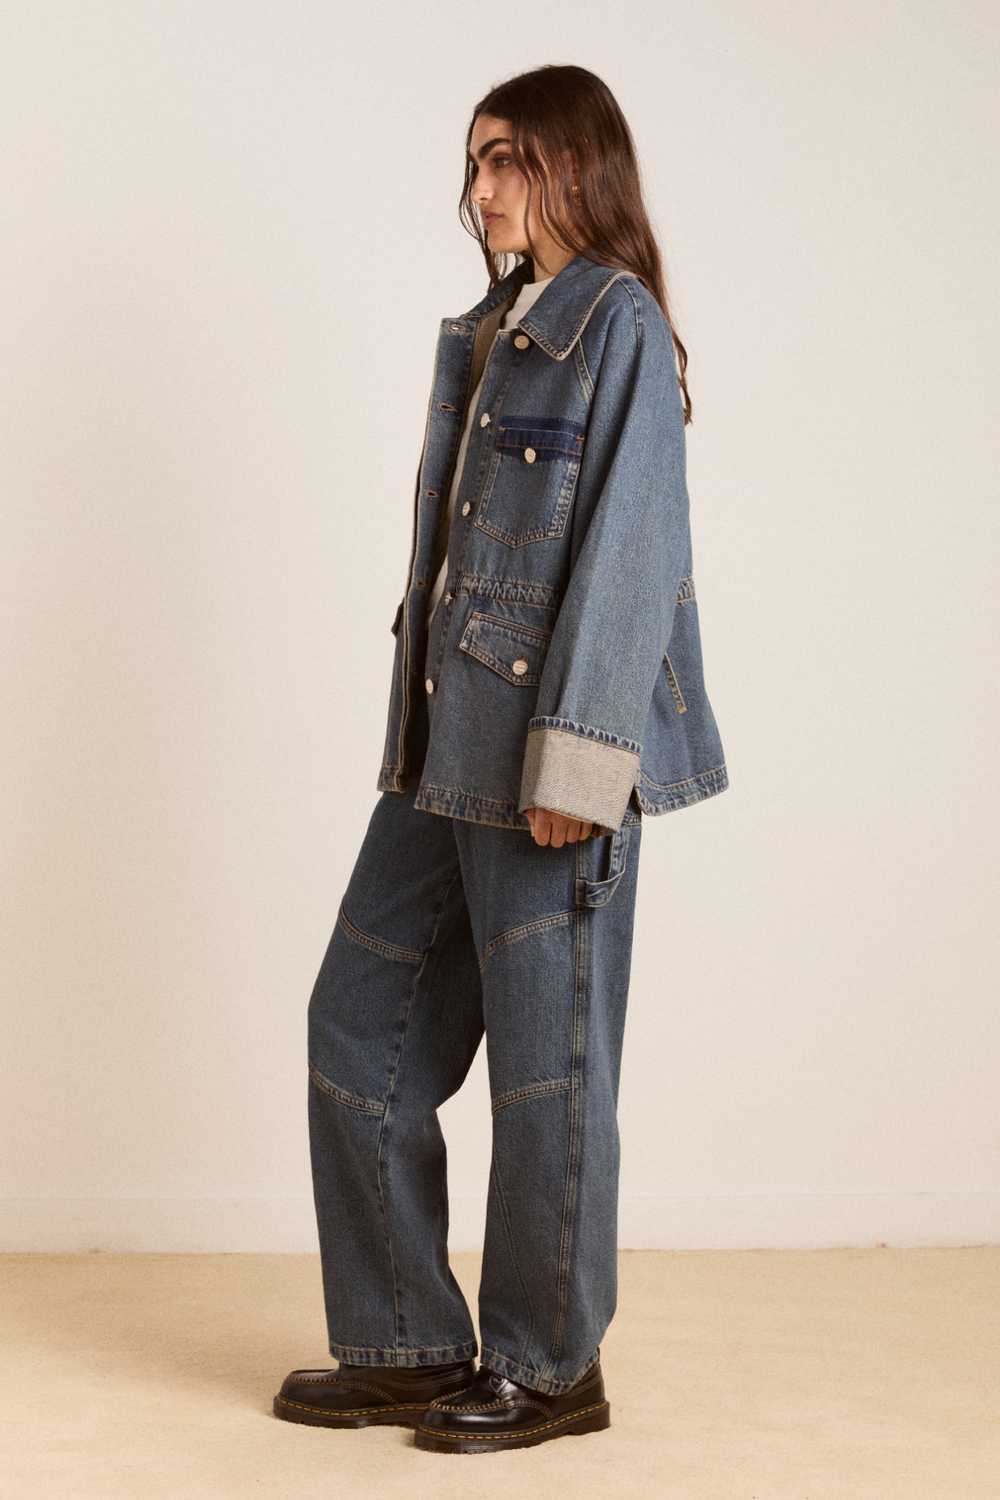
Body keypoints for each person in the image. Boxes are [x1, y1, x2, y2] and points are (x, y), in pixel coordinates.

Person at [274, 63, 727, 1454]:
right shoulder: (490, 332)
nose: (481, 191)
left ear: (577, 167)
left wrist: (579, 767)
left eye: (508, 159)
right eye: (474, 162)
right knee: (356, 1025)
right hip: (445, 754)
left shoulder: (617, 324)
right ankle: (408, 1340)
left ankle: (550, 1367)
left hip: (547, 770)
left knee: (548, 1080)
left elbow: (632, 553)